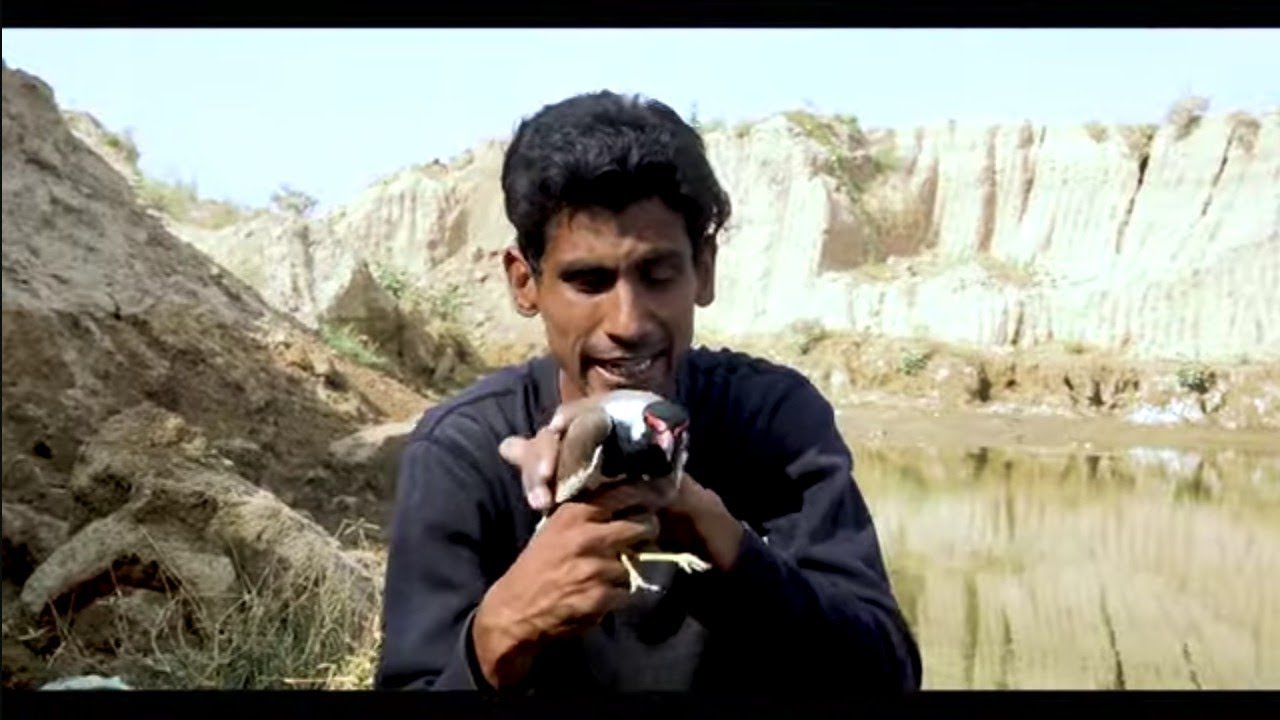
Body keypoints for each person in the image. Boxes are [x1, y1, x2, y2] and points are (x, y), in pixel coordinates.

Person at [375, 91, 922, 693]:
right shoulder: (462, 454)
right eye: (589, 281)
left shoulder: (774, 421)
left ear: (704, 269)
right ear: (525, 281)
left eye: (657, 275)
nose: (628, 321)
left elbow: (887, 673)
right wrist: (499, 636)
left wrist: (724, 543)